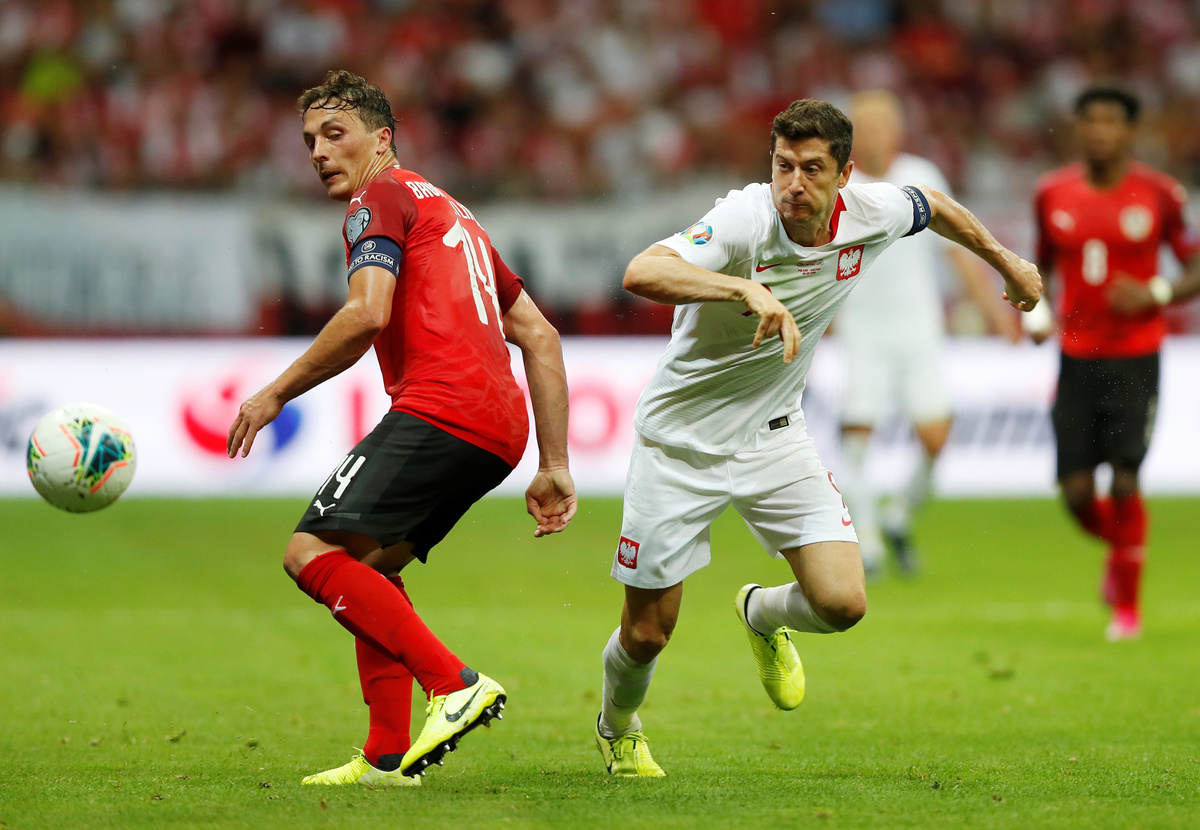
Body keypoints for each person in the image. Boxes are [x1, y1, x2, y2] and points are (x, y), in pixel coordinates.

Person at [594, 98, 1041, 777]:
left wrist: (1007, 262)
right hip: (679, 444)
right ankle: (618, 725)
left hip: (775, 438)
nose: (793, 184)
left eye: (810, 169)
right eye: (782, 166)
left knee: (842, 604)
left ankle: (761, 613)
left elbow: (934, 205)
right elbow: (642, 271)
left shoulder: (872, 211)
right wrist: (742, 291)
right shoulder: (744, 219)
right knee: (649, 633)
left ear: (845, 175)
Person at [226, 70, 576, 785]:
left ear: (382, 139)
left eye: (336, 134)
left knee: (309, 553)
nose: (319, 152)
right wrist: (554, 463)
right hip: (498, 427)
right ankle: (386, 755)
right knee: (372, 568)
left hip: (443, 407)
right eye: (310, 140)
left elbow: (366, 313)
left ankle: (453, 683)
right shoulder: (453, 212)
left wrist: (273, 394)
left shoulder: (378, 198)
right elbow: (540, 336)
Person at [1027, 86, 1200, 641]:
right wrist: (1037, 312)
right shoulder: (1051, 192)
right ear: (1077, 128)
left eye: (1111, 121)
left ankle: (1127, 606)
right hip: (1076, 356)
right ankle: (1125, 548)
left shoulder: (1160, 193)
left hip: (1136, 354)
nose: (1099, 130)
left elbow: (1195, 266)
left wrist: (1156, 292)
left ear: (1130, 131)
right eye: (1090, 120)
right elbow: (1039, 266)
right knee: (1077, 494)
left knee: (1125, 480)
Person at [836, 90, 1022, 577]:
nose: (873, 136)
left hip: (918, 328)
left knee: (936, 438)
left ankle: (898, 514)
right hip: (863, 329)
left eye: (881, 126)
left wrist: (995, 309)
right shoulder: (839, 186)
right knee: (858, 433)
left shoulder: (921, 177)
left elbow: (958, 248)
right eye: (864, 128)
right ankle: (867, 542)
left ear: (897, 131)